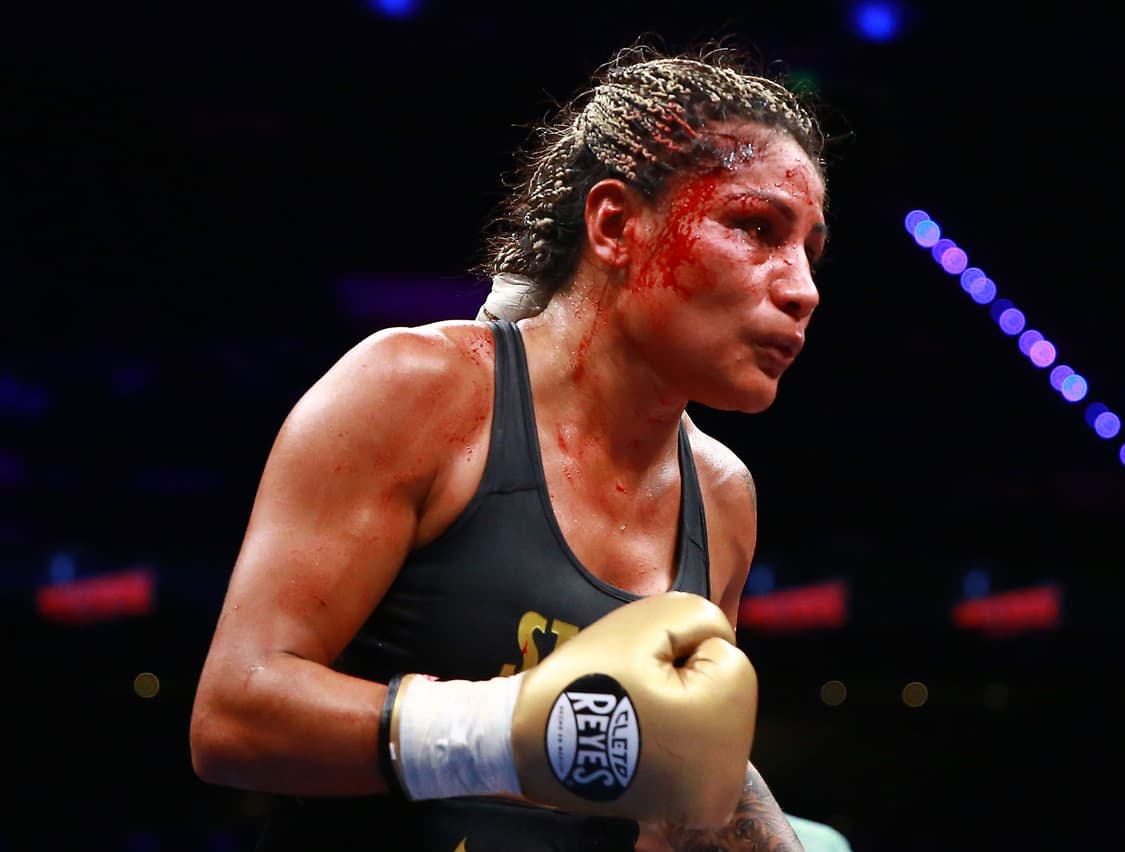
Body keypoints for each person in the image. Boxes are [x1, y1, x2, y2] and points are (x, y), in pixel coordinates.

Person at [190, 40, 829, 852]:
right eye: (755, 227)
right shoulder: (422, 393)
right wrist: (513, 730)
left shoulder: (723, 497)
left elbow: (674, 791)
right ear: (615, 224)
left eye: (810, 250)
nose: (801, 287)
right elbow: (233, 716)